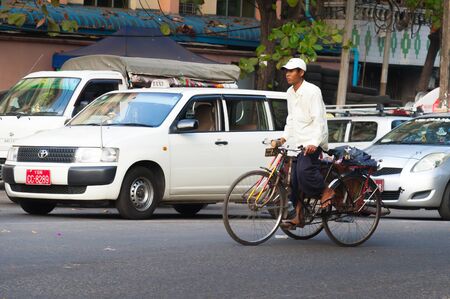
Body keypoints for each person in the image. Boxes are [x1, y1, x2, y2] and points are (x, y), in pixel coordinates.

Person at [274, 58, 335, 229]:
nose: (288, 74)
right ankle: (299, 216)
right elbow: (291, 119)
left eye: (292, 71)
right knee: (294, 181)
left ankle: (326, 191)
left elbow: (319, 119)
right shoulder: (289, 92)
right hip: (298, 143)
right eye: (286, 70)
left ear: (301, 73)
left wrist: (314, 142)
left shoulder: (312, 91)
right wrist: (284, 138)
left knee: (304, 172)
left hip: (312, 141)